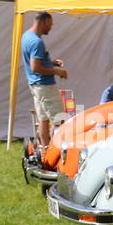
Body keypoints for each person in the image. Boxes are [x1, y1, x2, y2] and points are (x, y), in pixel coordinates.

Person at [20, 11, 68, 145]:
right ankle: (57, 151)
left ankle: (45, 150)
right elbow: (36, 67)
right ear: (45, 22)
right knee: (59, 120)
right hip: (45, 86)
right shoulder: (37, 42)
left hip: (35, 86)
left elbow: (34, 62)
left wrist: (51, 62)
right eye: (50, 25)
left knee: (43, 119)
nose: (51, 28)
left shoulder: (26, 36)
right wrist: (58, 72)